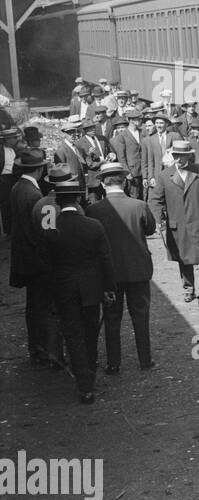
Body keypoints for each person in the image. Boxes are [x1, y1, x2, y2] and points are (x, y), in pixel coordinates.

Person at [41, 176, 116, 404]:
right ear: (79, 198)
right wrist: (109, 288)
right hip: (91, 289)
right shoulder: (93, 225)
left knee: (73, 335)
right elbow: (106, 260)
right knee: (90, 334)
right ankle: (90, 377)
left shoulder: (51, 226)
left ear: (57, 201)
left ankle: (84, 386)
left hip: (64, 290)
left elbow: (45, 262)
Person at [86, 161, 155, 374]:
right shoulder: (139, 206)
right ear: (124, 181)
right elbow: (150, 229)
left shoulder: (94, 210)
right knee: (141, 316)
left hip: (109, 274)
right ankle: (145, 359)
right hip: (138, 269)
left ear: (103, 184)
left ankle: (113, 363)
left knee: (112, 318)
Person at [8, 149, 58, 365]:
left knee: (34, 306)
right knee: (41, 306)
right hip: (36, 259)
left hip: (24, 257)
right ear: (39, 170)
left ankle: (36, 347)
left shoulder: (18, 187)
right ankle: (42, 349)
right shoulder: (34, 195)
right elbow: (40, 232)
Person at [158, 139, 199, 308]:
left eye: (183, 156)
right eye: (176, 155)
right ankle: (188, 287)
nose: (179, 159)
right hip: (177, 225)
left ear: (189, 156)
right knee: (183, 258)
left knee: (198, 258)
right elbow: (156, 199)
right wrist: (156, 220)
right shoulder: (165, 176)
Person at [110, 107, 145, 199]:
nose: (139, 120)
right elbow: (121, 157)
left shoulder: (142, 133)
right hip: (132, 171)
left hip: (144, 170)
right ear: (130, 120)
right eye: (136, 119)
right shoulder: (122, 136)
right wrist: (127, 172)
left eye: (139, 118)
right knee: (135, 196)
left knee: (145, 196)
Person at [75, 115, 109, 203]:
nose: (93, 130)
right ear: (84, 130)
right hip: (93, 179)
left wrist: (111, 155)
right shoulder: (80, 143)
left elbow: (109, 151)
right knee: (95, 203)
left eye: (93, 127)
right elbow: (85, 163)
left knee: (109, 202)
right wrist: (90, 155)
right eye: (89, 129)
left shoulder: (102, 139)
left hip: (106, 176)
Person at [0, 125, 19, 236]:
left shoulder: (14, 150)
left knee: (13, 203)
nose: (15, 140)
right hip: (4, 180)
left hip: (13, 178)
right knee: (6, 205)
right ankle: (8, 229)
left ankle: (13, 227)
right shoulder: (1, 150)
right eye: (13, 138)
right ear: (6, 139)